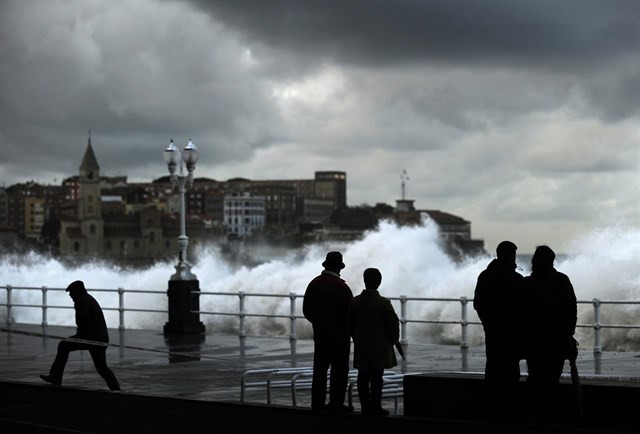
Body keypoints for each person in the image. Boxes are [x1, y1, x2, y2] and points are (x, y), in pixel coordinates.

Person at [521, 245, 577, 425]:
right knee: (552, 379)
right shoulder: (562, 280)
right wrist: (569, 334)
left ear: (534, 261)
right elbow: (571, 310)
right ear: (552, 261)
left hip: (534, 340)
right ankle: (550, 416)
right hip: (556, 340)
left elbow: (520, 313)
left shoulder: (528, 283)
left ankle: (533, 416)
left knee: (535, 376)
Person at [473, 240, 524, 423]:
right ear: (512, 256)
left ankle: (492, 410)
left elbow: (478, 304)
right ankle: (509, 412)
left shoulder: (485, 276)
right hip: (512, 333)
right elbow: (524, 308)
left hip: (493, 331)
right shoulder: (516, 280)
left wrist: (488, 322)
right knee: (511, 371)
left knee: (493, 367)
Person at [40, 280, 120, 390]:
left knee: (64, 345)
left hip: (92, 339)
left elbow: (84, 321)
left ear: (77, 291)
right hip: (100, 338)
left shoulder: (81, 301)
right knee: (102, 368)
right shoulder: (88, 299)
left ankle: (56, 376)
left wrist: (79, 337)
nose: (70, 295)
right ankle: (116, 389)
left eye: (71, 293)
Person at [303, 251, 354, 412]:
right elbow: (350, 313)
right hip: (340, 337)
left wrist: (319, 323)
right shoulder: (342, 287)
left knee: (320, 370)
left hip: (321, 335)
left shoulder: (314, 283)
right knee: (339, 370)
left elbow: (307, 310)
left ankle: (317, 403)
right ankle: (336, 403)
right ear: (339, 267)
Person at [347, 268, 400, 416]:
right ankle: (375, 406)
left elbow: (349, 324)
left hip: (362, 346)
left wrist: (356, 337)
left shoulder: (355, 301)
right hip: (380, 348)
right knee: (377, 378)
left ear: (365, 281)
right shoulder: (383, 303)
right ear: (379, 282)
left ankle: (365, 406)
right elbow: (393, 323)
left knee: (362, 376)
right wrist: (394, 339)